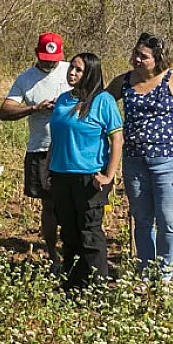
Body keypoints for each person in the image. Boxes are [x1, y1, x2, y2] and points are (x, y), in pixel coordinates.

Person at [106, 32, 173, 281]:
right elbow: (103, 100)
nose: (136, 59)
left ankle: (165, 273)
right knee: (142, 219)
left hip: (167, 162)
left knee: (168, 220)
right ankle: (146, 273)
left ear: (157, 59)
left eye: (143, 56)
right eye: (135, 54)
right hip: (134, 161)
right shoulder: (125, 81)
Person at [48, 52, 123, 290]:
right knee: (68, 231)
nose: (72, 72)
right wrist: (49, 167)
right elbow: (57, 137)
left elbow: (117, 140)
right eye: (71, 67)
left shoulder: (103, 101)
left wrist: (109, 175)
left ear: (90, 73)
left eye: (78, 70)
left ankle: (97, 287)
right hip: (61, 174)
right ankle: (72, 284)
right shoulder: (62, 100)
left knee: (89, 232)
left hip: (89, 177)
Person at [0, 33, 71, 271]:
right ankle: (53, 256)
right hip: (41, 148)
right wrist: (34, 108)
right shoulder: (26, 78)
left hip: (71, 148)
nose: (50, 63)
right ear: (36, 53)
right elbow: (5, 110)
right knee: (49, 205)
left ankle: (72, 252)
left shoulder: (72, 71)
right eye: (45, 58)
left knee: (73, 205)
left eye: (54, 59)